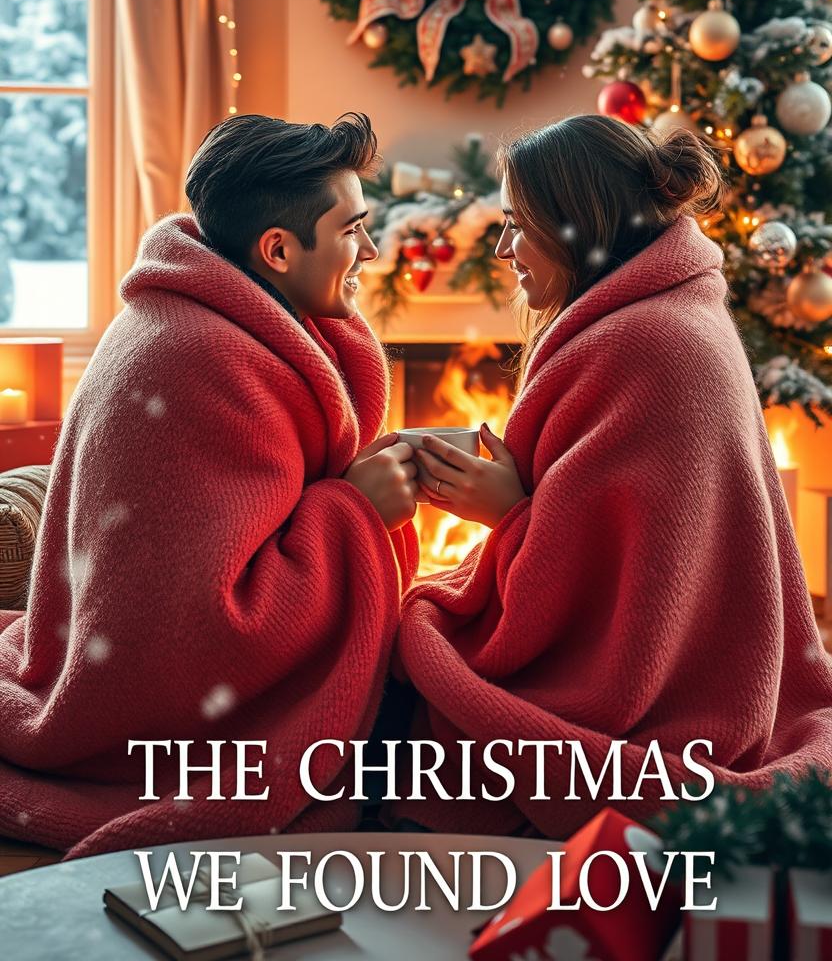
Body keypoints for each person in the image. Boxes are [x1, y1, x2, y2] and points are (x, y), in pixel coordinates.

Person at [390, 114, 832, 837]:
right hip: (706, 669)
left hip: (670, 705)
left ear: (574, 224)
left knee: (404, 656)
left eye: (514, 224)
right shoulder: (667, 316)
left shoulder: (648, 345)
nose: (502, 248)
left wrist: (510, 514)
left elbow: (615, 606)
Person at [0, 112, 419, 857]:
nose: (371, 250)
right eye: (353, 230)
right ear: (280, 249)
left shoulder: (211, 318)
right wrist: (354, 510)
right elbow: (196, 634)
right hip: (134, 722)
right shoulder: (202, 363)